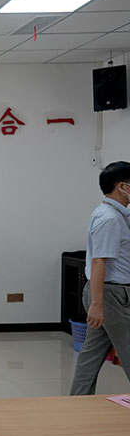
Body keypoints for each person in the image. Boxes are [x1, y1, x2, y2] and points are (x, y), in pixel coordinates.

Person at [71, 161, 130, 395]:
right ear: (121, 186)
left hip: (106, 294)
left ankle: (77, 402)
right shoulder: (110, 218)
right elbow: (99, 262)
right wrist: (97, 304)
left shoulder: (117, 215)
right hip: (111, 295)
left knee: (91, 354)